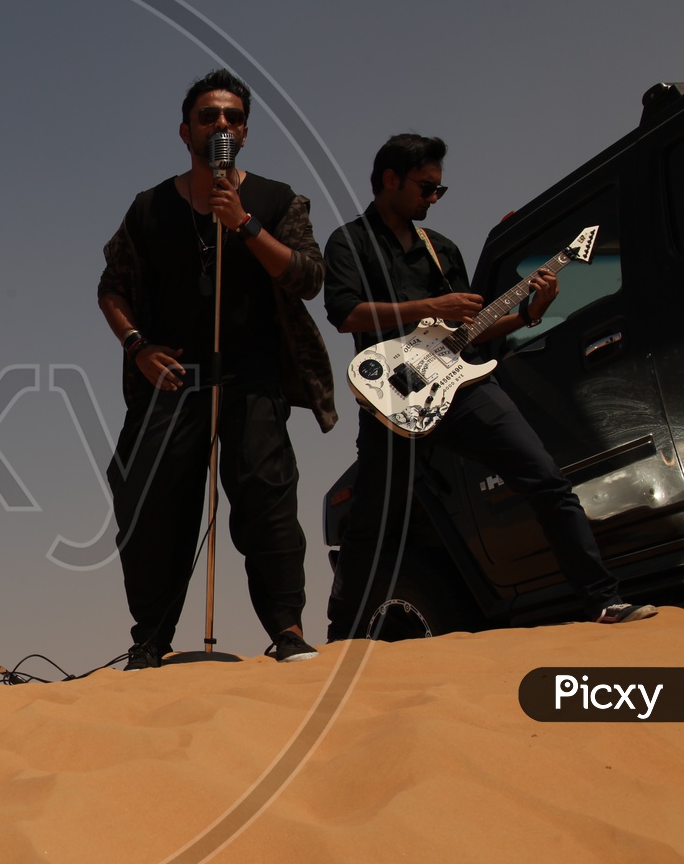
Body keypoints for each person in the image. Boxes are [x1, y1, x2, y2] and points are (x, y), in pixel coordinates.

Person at [322, 134, 656, 638]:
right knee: (371, 523)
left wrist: (528, 312)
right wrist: (429, 310)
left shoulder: (443, 251)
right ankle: (340, 639)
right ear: (390, 179)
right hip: (393, 398)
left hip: (465, 385)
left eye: (440, 190)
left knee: (545, 478)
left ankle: (603, 600)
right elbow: (345, 314)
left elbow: (471, 328)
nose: (433, 198)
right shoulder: (349, 242)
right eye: (425, 187)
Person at [96, 69, 337, 669]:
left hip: (252, 376)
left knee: (266, 499)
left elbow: (308, 277)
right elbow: (111, 287)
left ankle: (286, 630)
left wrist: (245, 226)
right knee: (144, 500)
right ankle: (150, 638)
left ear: (246, 133)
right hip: (173, 380)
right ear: (186, 131)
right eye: (209, 117)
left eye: (232, 117)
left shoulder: (278, 200)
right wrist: (136, 345)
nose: (221, 125)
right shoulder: (149, 208)